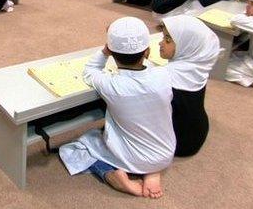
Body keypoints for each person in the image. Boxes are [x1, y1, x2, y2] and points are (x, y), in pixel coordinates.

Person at [60, 17, 175, 199]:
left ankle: (111, 175)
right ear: (147, 51)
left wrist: (105, 52)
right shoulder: (164, 76)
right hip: (166, 154)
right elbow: (149, 69)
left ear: (112, 53)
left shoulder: (110, 85)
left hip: (134, 160)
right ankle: (153, 172)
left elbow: (90, 71)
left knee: (79, 145)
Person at [160, 15, 220, 156]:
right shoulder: (198, 65)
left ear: (187, 46)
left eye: (167, 40)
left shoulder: (165, 76)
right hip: (198, 131)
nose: (160, 43)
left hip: (176, 141)